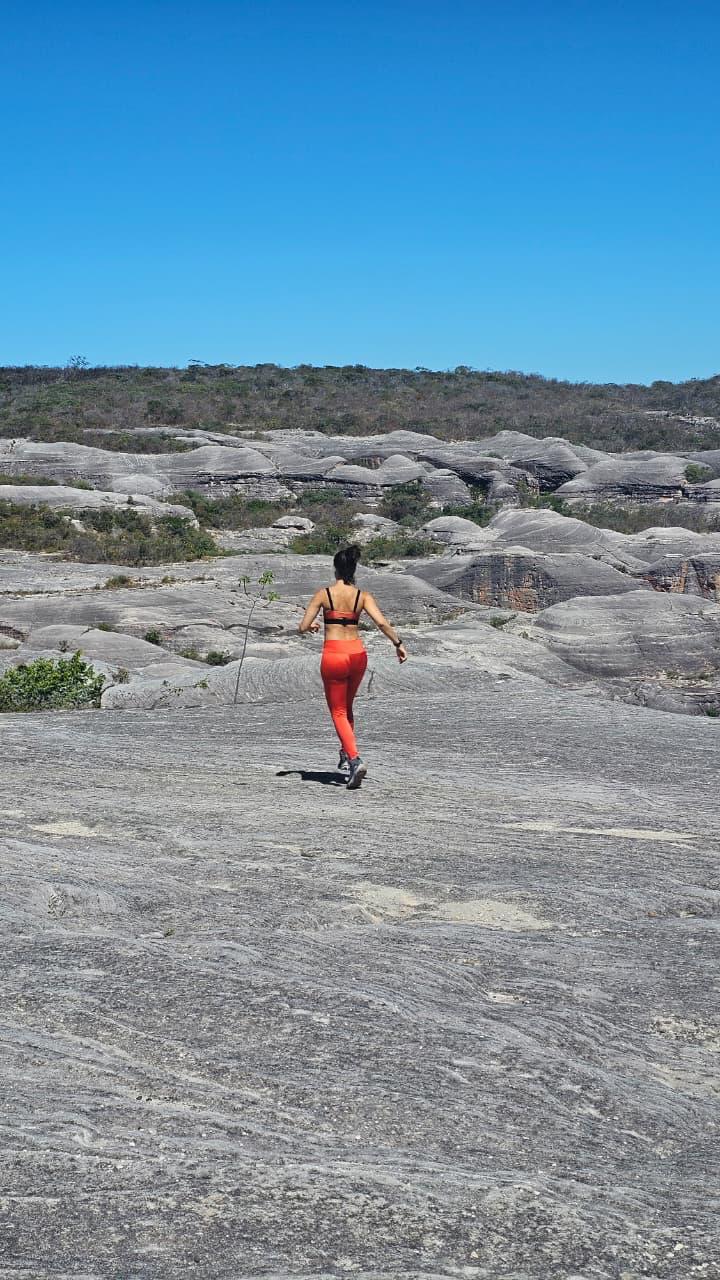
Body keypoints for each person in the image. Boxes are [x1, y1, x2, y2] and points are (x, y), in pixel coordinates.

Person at [298, 544, 407, 789]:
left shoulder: (323, 594)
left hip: (334, 655)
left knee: (337, 712)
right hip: (358, 654)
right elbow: (381, 623)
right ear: (353, 570)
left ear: (336, 570)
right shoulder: (362, 596)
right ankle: (347, 753)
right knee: (347, 708)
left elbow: (302, 627)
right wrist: (398, 644)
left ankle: (355, 760)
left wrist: (314, 626)